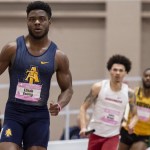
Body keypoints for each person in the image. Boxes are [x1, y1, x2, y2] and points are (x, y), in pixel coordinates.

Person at [0, 1, 73, 150]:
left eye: (41, 19)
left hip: (38, 116)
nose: (37, 22)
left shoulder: (58, 57)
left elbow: (68, 89)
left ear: (49, 22)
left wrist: (59, 105)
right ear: (27, 21)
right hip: (14, 113)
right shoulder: (12, 48)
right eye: (32, 19)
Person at [79, 54, 138, 150]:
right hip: (95, 132)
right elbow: (83, 107)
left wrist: (132, 124)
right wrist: (83, 127)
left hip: (112, 135)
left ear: (126, 72)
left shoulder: (129, 93)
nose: (117, 73)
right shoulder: (98, 87)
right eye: (115, 70)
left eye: (121, 70)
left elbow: (135, 115)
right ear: (110, 71)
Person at [118, 68, 150, 150]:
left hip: (145, 135)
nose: (148, 78)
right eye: (146, 76)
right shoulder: (134, 92)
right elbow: (125, 109)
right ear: (142, 78)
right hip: (128, 131)